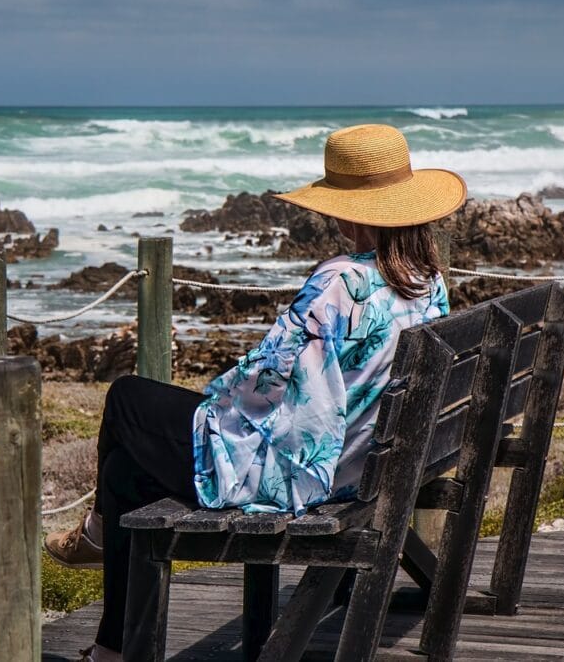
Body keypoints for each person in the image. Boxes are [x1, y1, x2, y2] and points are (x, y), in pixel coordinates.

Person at [44, 123, 467, 662]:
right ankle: (111, 648)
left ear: (344, 209)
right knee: (125, 476)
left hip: (312, 474)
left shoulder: (339, 282)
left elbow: (267, 382)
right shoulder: (428, 281)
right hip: (374, 463)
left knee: (127, 396)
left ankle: (98, 533)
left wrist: (215, 401)